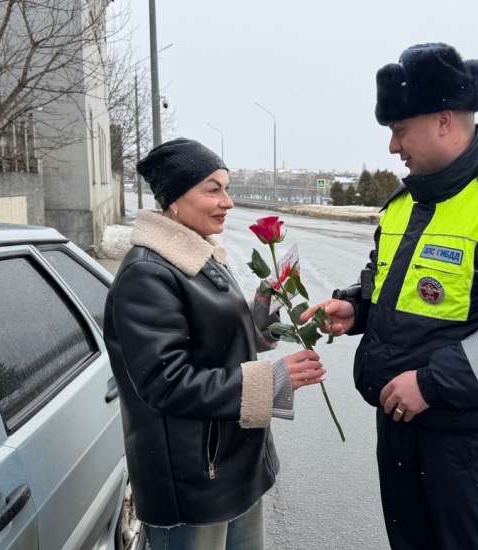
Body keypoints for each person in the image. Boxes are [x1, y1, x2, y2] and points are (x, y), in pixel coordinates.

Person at [302, 43, 478, 549]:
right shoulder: (408, 202)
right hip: (400, 426)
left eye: (398, 130)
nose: (392, 147)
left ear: (443, 120)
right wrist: (357, 306)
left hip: (468, 440)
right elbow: (391, 284)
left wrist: (433, 385)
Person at [104, 138, 325, 550]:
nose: (228, 201)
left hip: (233, 467)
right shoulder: (147, 275)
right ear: (173, 198)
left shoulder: (197, 254)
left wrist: (261, 310)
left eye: (226, 187)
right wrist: (272, 380)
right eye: (212, 189)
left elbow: (214, 340)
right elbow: (166, 382)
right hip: (193, 483)